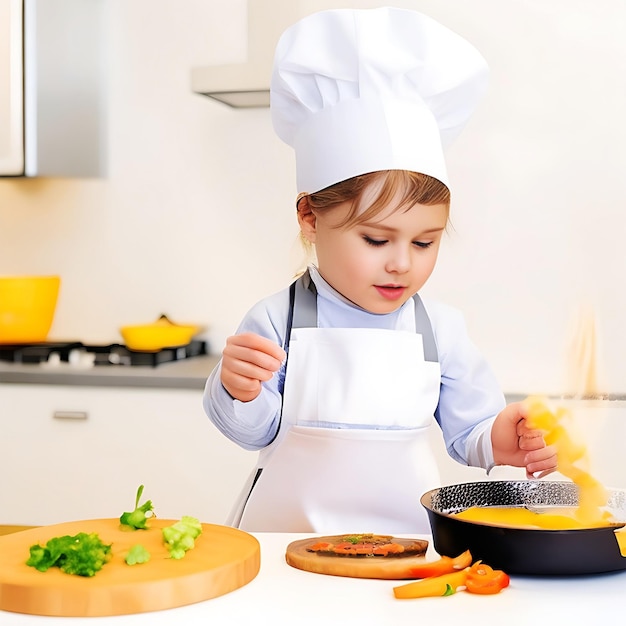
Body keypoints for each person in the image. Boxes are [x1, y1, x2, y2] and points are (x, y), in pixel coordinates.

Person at [203, 7, 557, 534]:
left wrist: (501, 438)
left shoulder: (440, 330)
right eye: (375, 239)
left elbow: (471, 434)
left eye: (424, 242)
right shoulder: (277, 319)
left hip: (406, 544)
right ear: (310, 218)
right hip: (287, 544)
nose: (401, 263)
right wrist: (239, 390)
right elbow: (256, 433)